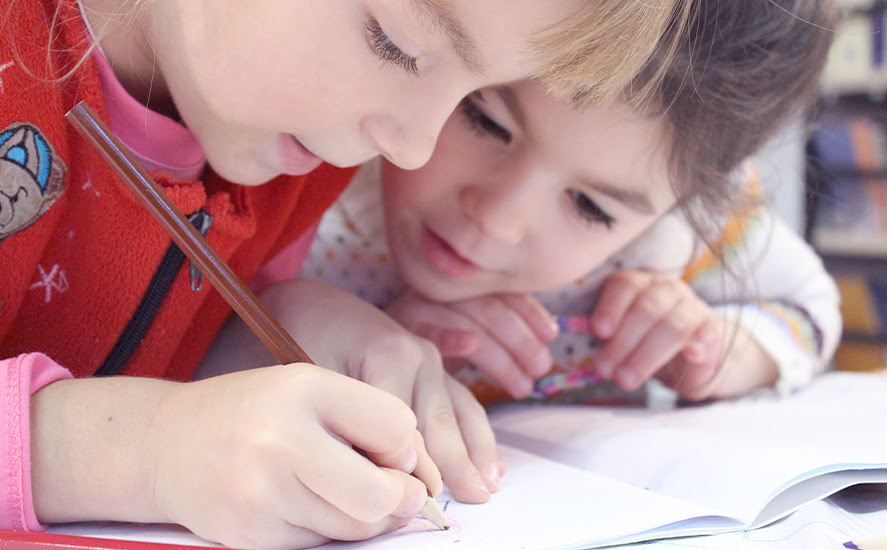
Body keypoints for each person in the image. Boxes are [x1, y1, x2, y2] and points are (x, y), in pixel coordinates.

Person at [0, 0, 691, 548]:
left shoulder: (294, 153)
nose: (415, 148)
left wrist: (278, 332)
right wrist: (142, 452)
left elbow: (135, 358)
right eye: (399, 45)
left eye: (474, 92)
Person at [288, 0, 842, 406]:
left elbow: (812, 308)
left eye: (590, 207)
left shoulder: (680, 238)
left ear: (684, 205)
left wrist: (725, 352)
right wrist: (358, 347)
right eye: (485, 121)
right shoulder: (311, 172)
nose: (498, 219)